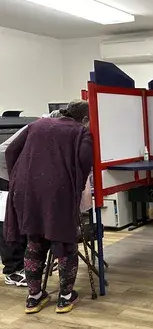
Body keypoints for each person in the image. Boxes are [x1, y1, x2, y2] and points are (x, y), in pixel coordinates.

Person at [3, 101, 92, 314]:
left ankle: (34, 298)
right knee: (64, 242)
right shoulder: (81, 131)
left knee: (34, 241)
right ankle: (65, 297)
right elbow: (84, 161)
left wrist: (19, 176)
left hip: (25, 188)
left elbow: (10, 150)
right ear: (86, 119)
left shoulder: (37, 124)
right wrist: (76, 189)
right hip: (58, 191)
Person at [0, 109, 63, 287]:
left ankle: (28, 263)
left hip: (13, 172)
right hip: (3, 171)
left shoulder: (48, 127)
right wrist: (17, 179)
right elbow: (8, 152)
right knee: (7, 222)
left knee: (21, 220)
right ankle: (13, 270)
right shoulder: (39, 127)